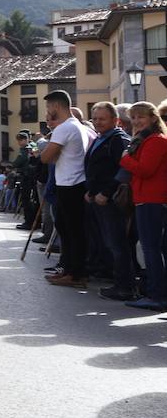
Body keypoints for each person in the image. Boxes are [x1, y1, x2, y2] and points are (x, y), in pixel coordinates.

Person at [40, 90, 93, 288]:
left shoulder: (64, 128)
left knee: (72, 231)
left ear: (56, 107)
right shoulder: (76, 125)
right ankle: (71, 270)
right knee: (68, 228)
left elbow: (46, 157)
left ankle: (76, 273)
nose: (47, 111)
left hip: (70, 184)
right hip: (75, 183)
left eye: (48, 108)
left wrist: (46, 151)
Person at [83, 101, 133, 301]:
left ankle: (125, 287)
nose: (97, 122)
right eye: (95, 119)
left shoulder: (118, 140)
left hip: (110, 200)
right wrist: (90, 191)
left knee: (117, 243)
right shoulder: (100, 138)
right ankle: (118, 281)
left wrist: (105, 192)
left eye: (102, 119)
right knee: (109, 243)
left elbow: (122, 170)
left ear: (115, 120)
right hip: (97, 197)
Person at [120, 100, 167, 312]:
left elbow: (145, 170)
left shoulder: (155, 140)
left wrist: (125, 159)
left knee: (151, 249)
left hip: (152, 199)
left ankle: (156, 296)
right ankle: (156, 293)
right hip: (147, 198)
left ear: (152, 118)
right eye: (134, 117)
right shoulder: (145, 139)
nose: (137, 121)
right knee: (152, 249)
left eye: (141, 117)